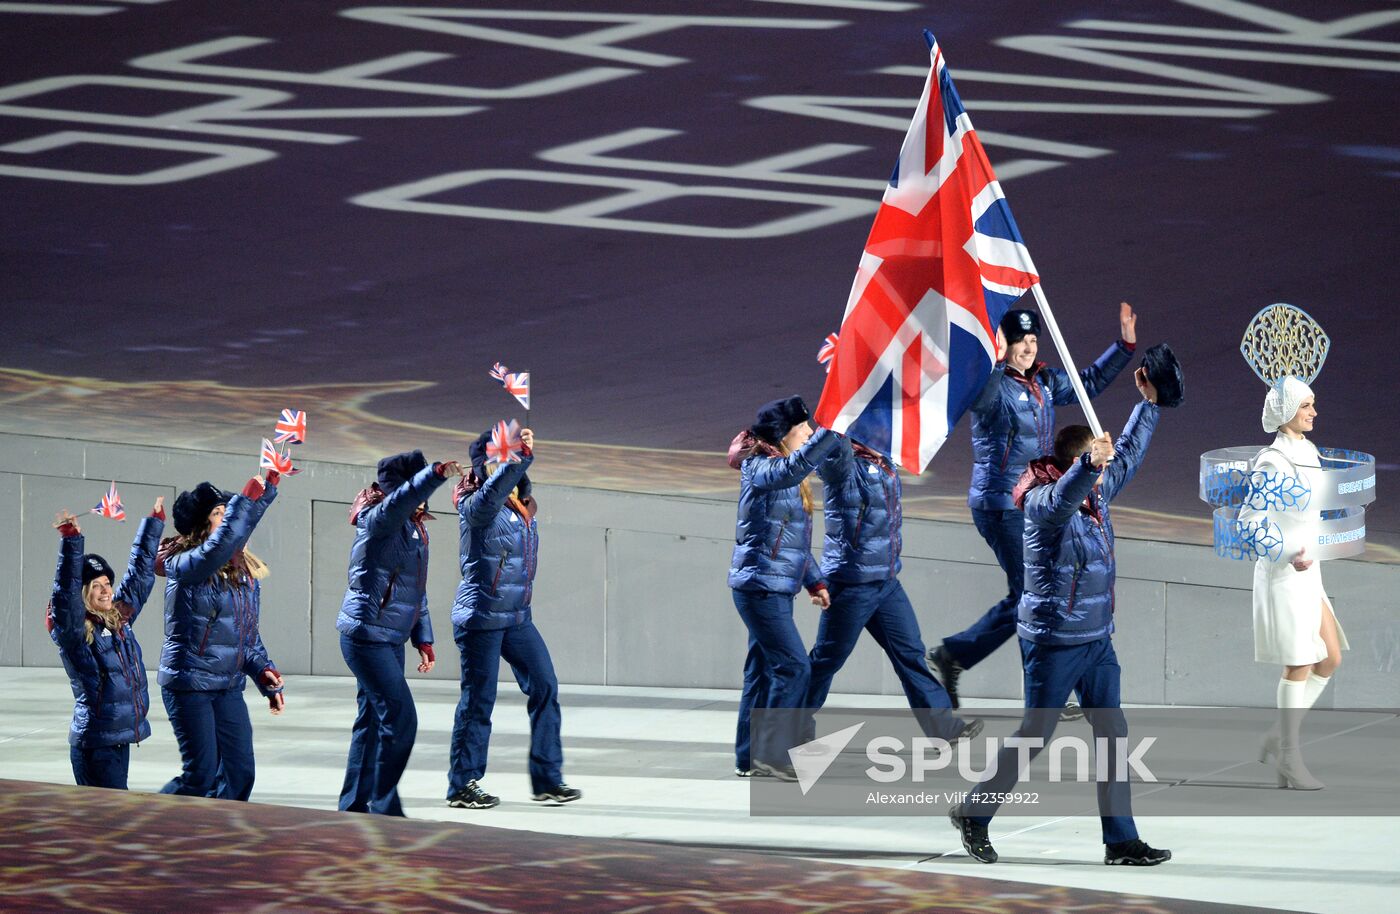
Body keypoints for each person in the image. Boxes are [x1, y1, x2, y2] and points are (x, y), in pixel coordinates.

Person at [949, 368, 1172, 867]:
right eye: (1093, 462)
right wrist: (1088, 468)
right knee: (1036, 733)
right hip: (1054, 638)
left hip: (1096, 638)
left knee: (1113, 735)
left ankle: (1120, 840)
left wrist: (1150, 406)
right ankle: (974, 813)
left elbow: (1128, 454)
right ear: (1075, 462)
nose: (1104, 471)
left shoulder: (1095, 486)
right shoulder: (1041, 500)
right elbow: (1063, 499)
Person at [930, 304, 1138, 712]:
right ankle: (1042, 693)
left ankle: (959, 656)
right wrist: (991, 357)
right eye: (1019, 340)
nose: (1028, 347)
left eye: (1032, 340)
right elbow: (979, 392)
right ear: (1003, 344)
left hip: (1036, 499)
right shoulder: (992, 387)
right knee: (1034, 596)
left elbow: (1088, 383)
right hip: (1001, 504)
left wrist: (1124, 346)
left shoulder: (1043, 381)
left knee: (1039, 594)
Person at [803, 434, 980, 744]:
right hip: (851, 583)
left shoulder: (883, 462)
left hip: (885, 581)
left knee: (910, 653)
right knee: (827, 660)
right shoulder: (843, 463)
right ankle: (779, 728)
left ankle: (944, 730)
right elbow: (835, 446)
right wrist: (840, 423)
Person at [447, 426, 579, 808]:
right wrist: (519, 457)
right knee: (479, 700)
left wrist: (520, 462)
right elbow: (490, 495)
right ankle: (462, 784)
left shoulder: (522, 506)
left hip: (517, 617)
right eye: (497, 459)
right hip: (481, 615)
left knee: (545, 686)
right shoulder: (476, 504)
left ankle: (548, 780)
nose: (504, 465)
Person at [337, 449, 462, 816]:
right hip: (367, 635)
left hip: (389, 635)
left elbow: (413, 587)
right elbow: (401, 499)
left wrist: (422, 636)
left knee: (374, 721)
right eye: (419, 485)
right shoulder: (382, 519)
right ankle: (383, 805)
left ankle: (355, 805)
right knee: (401, 718)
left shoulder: (412, 523)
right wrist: (436, 473)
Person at [1240, 378, 1348, 789]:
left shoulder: (1307, 450)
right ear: (1287, 412)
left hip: (1309, 568)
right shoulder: (1274, 460)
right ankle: (1289, 756)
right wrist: (1289, 551)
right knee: (1300, 661)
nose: (1314, 412)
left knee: (1330, 657)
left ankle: (1276, 736)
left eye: (1313, 404)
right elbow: (1250, 522)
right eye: (1306, 405)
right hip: (1285, 571)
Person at [729, 395, 838, 780]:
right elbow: (788, 472)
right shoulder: (759, 467)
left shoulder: (784, 471)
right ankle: (774, 754)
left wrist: (815, 581)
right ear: (783, 435)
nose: (808, 433)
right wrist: (831, 432)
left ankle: (748, 756)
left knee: (761, 671)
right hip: (759, 586)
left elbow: (793, 541)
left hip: (776, 585)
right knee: (794, 667)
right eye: (804, 428)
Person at [157, 474, 284, 801]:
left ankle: (218, 835)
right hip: (191, 684)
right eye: (218, 513)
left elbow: (245, 634)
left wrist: (261, 670)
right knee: (200, 775)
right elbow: (217, 548)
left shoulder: (241, 575)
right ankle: (153, 818)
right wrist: (248, 500)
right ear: (200, 527)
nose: (227, 518)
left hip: (226, 687)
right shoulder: (186, 565)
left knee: (240, 773)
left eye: (228, 511)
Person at [48, 497, 164, 789]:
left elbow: (139, 577)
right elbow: (65, 593)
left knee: (112, 823)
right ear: (84, 591)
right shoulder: (73, 631)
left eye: (107, 583)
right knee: (105, 825)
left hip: (117, 740)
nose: (105, 591)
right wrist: (72, 542)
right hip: (95, 745)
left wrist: (153, 525)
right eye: (96, 585)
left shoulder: (117, 620)